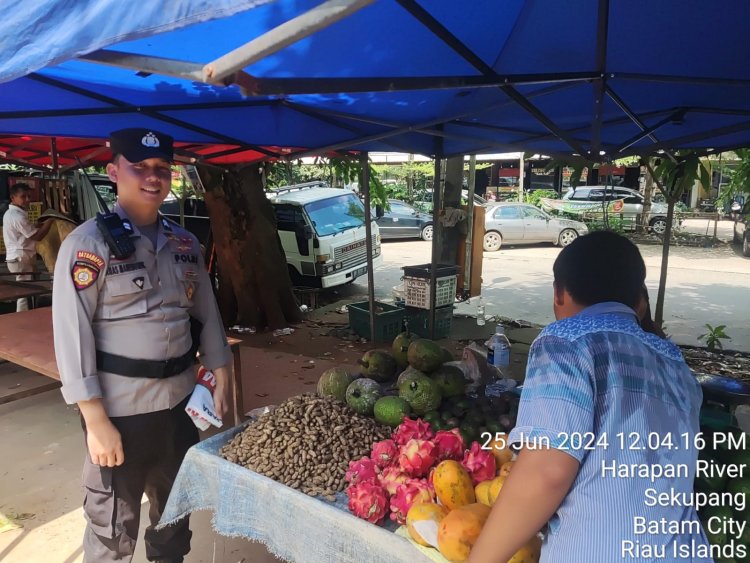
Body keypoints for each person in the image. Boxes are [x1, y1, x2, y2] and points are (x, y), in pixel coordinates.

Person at [469, 231, 711, 563]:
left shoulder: (566, 341)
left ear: (559, 293)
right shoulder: (674, 362)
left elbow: (546, 472)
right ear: (638, 301)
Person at [52, 128, 232, 563]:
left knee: (173, 516)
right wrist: (95, 422)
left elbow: (207, 315)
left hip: (178, 406)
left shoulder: (184, 243)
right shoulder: (87, 245)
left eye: (162, 169)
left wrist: (221, 374)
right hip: (120, 412)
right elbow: (71, 335)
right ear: (114, 172)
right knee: (112, 527)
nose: (153, 177)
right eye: (140, 168)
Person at [3, 182, 53, 310]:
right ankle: (24, 319)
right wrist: (50, 221)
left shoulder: (16, 214)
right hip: (20, 258)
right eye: (23, 196)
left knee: (30, 290)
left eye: (29, 196)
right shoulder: (16, 216)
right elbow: (37, 236)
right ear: (13, 198)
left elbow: (29, 230)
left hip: (22, 256)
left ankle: (30, 315)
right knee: (25, 293)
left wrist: (39, 225)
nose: (27, 200)